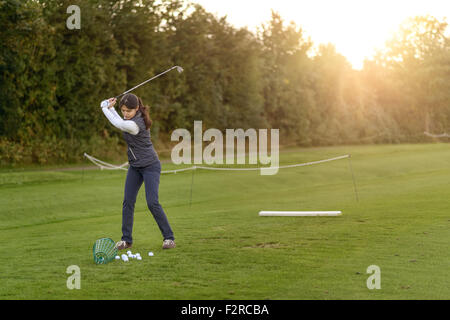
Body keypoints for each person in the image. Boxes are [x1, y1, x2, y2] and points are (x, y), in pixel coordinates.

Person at [100, 93, 176, 250]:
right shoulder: (128, 119)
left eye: (128, 111)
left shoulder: (136, 124)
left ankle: (169, 238)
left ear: (136, 109)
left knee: (152, 202)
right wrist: (110, 107)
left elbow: (119, 124)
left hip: (150, 166)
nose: (125, 114)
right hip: (135, 167)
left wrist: (104, 107)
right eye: (123, 111)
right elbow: (120, 120)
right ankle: (126, 240)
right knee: (128, 202)